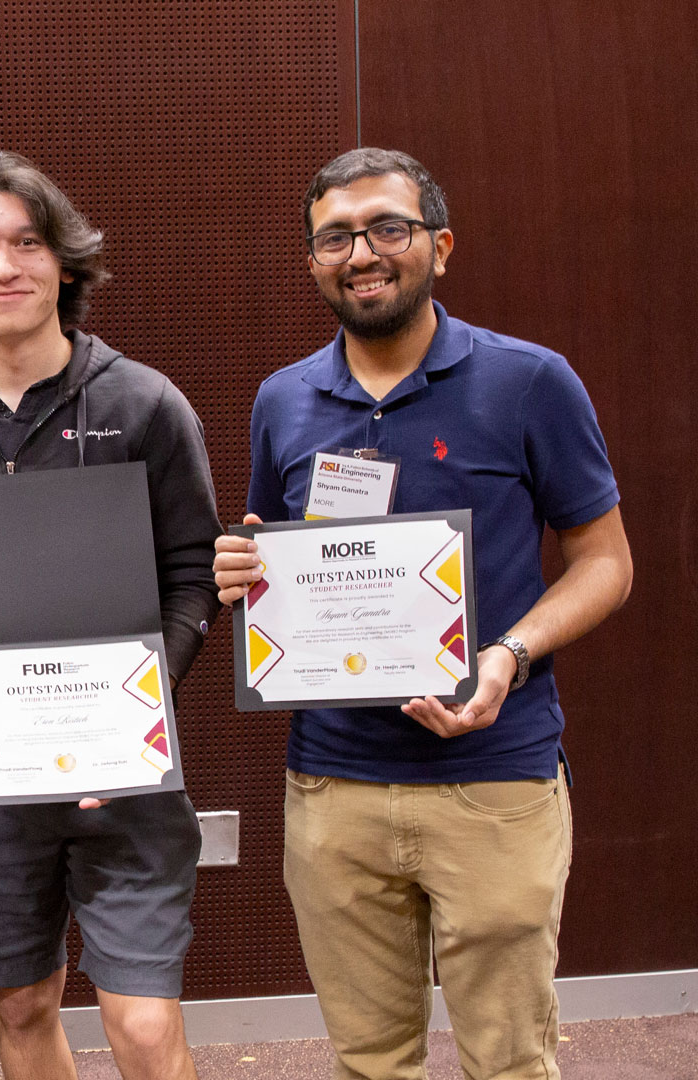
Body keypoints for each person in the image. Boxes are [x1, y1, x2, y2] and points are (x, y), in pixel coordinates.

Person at [212, 148, 632, 1080]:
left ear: (439, 245)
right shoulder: (282, 400)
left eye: (387, 228)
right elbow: (276, 563)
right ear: (312, 261)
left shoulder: (530, 381)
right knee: (368, 1063)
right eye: (335, 237)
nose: (361, 252)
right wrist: (242, 569)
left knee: (510, 1062)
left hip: (493, 783)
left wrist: (509, 654)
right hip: (333, 790)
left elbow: (606, 562)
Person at [0, 151, 220, 1080]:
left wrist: (138, 701)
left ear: (64, 263)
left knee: (144, 1024)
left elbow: (194, 574)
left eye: (27, 243)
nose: (5, 268)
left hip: (128, 773)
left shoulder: (145, 405)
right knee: (25, 1003)